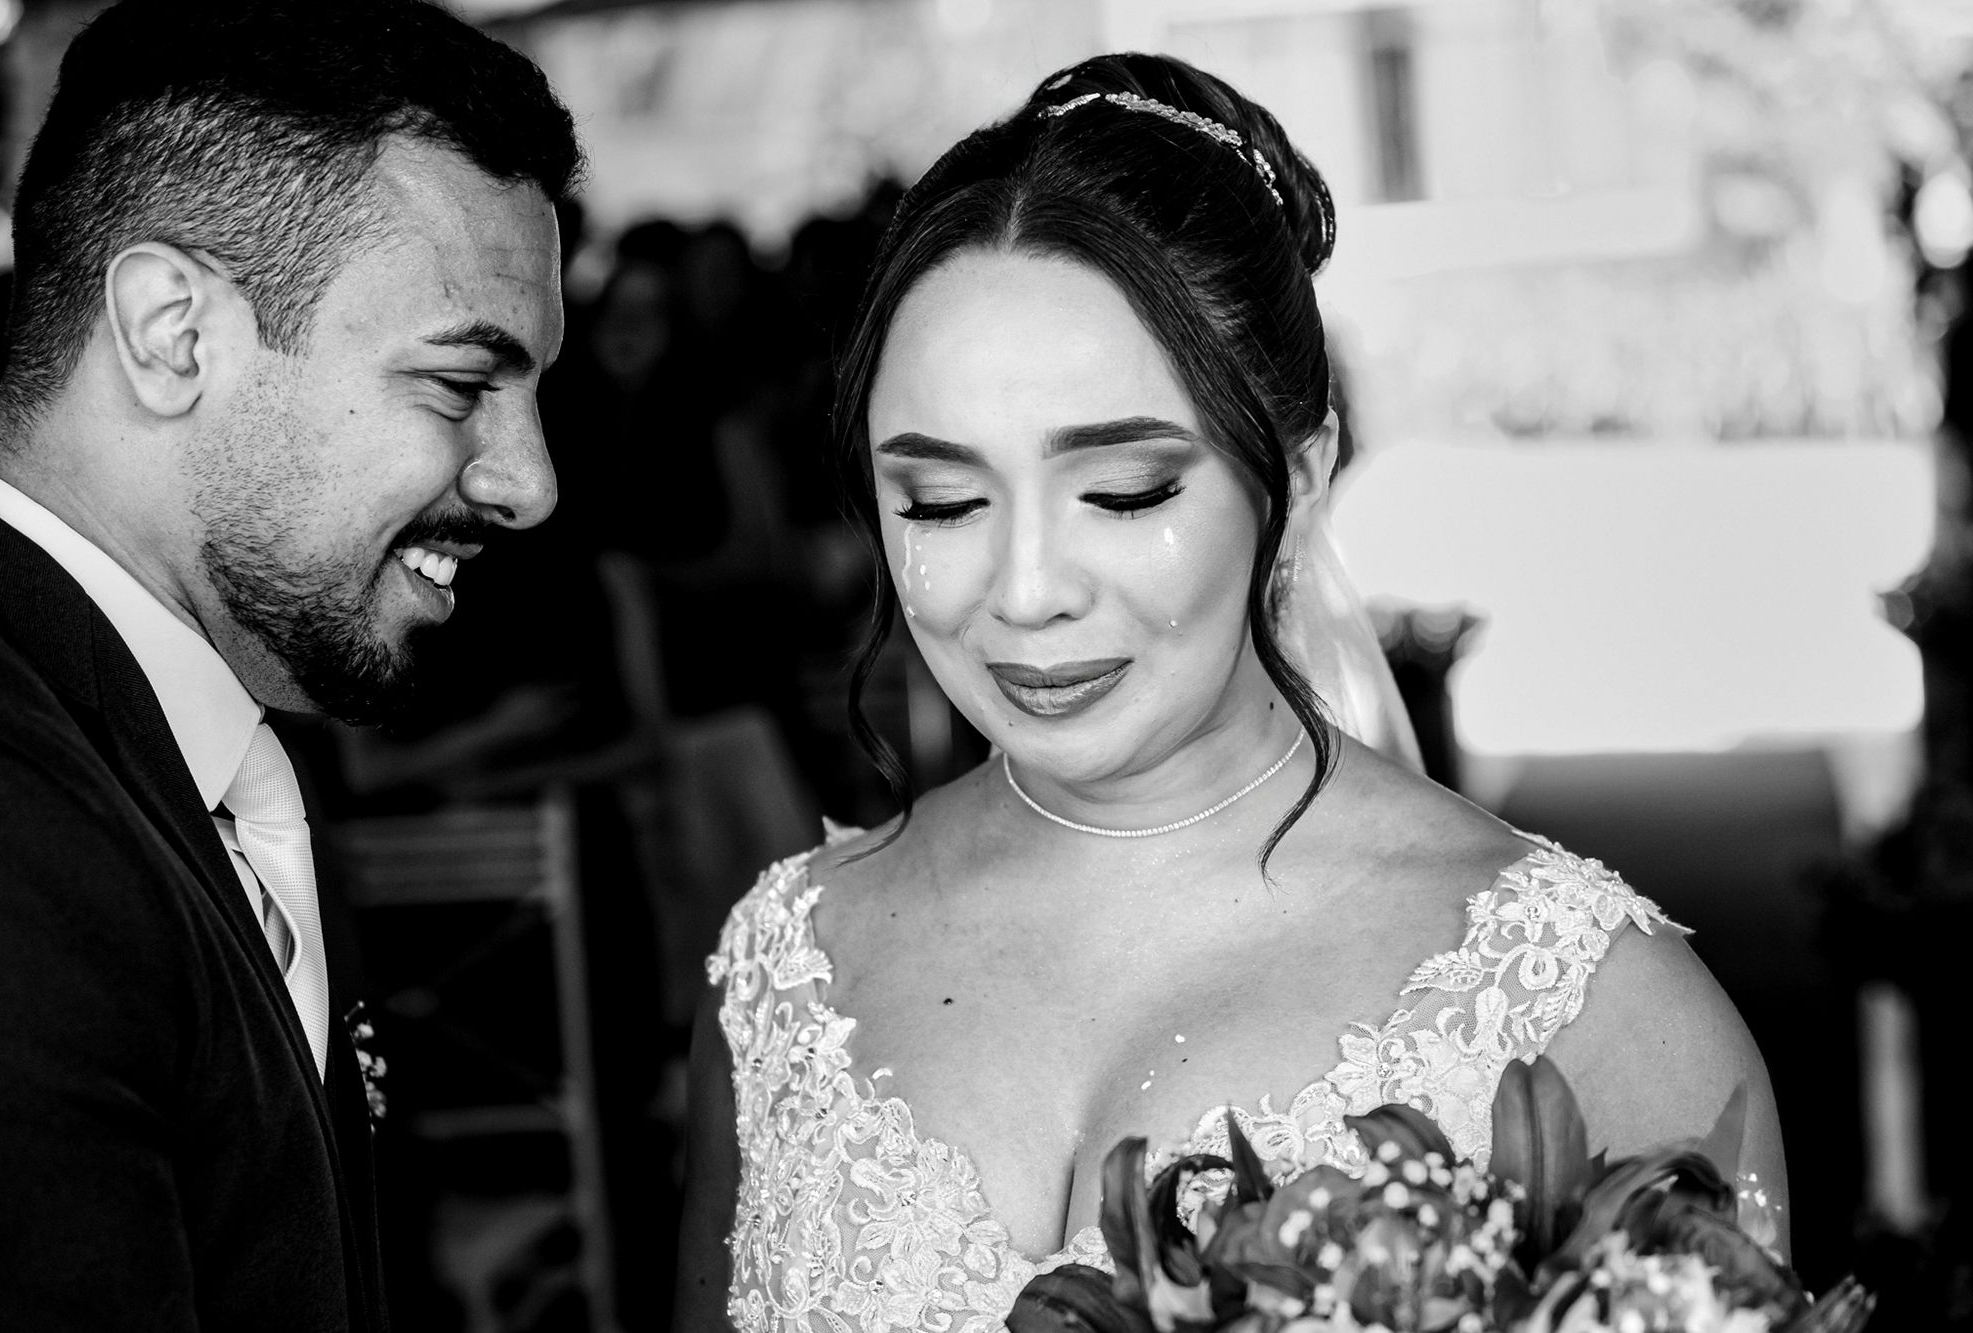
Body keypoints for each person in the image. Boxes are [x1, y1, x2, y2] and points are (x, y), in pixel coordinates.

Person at [672, 53, 1786, 1333]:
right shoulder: (782, 977)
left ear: (1297, 480)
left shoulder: (1590, 1013)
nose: (1025, 591)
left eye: (1124, 492)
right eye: (940, 501)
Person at [0, 1, 581, 1327]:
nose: (528, 482)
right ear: (173, 333)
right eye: (457, 384)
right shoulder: (1, 820)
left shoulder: (209, 730)